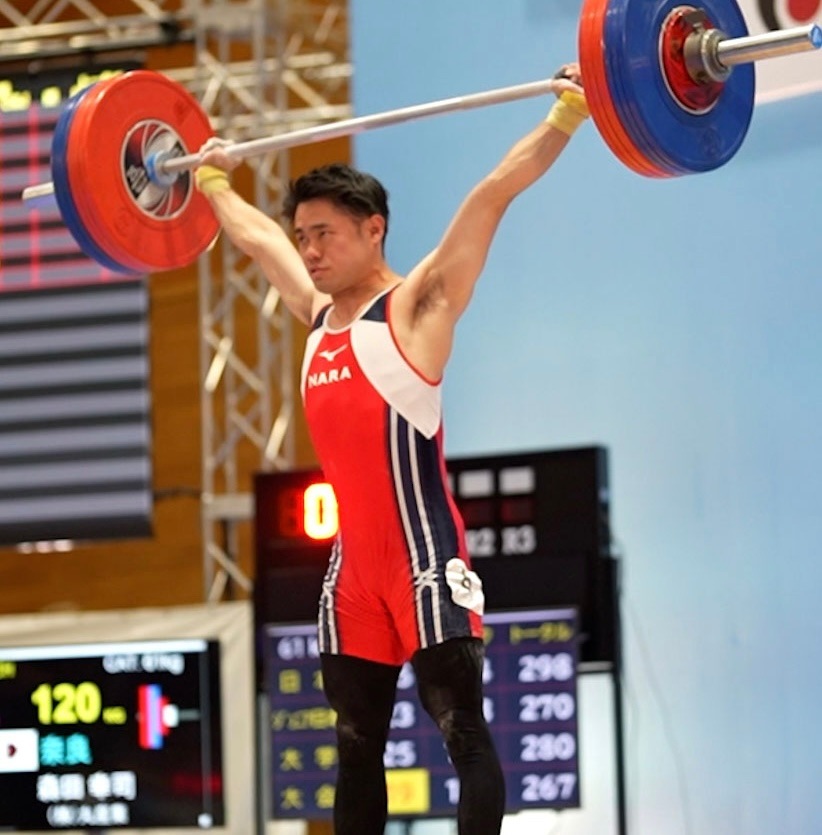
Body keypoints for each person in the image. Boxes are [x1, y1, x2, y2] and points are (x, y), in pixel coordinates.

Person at [195, 63, 588, 835]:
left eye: (325, 234)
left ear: (373, 228)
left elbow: (493, 192)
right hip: (352, 574)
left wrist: (567, 111)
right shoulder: (316, 317)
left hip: (424, 560)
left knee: (462, 732)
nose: (309, 251)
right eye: (304, 236)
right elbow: (256, 238)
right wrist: (211, 179)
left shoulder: (416, 304)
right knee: (354, 747)